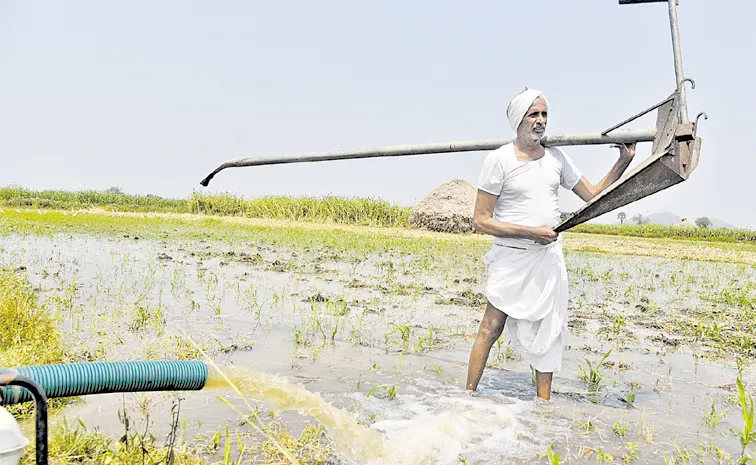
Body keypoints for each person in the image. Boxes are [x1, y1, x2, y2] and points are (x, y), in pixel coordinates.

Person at [465, 88, 636, 400]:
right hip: (512, 257)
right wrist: (530, 232)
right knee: (490, 327)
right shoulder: (499, 160)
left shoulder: (557, 157)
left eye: (544, 114)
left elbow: (593, 194)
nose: (541, 121)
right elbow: (481, 220)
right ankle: (467, 395)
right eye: (534, 114)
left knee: (549, 331)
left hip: (547, 258)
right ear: (519, 120)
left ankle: (543, 407)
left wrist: (624, 161)